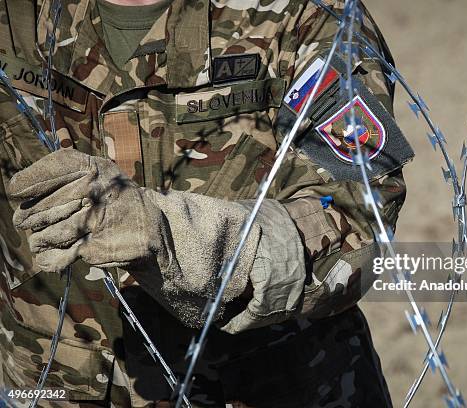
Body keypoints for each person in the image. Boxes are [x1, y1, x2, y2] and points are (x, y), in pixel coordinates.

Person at [0, 0, 413, 406]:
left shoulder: (302, 14)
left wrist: (187, 238)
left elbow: (357, 213)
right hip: (56, 383)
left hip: (268, 384)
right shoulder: (15, 18)